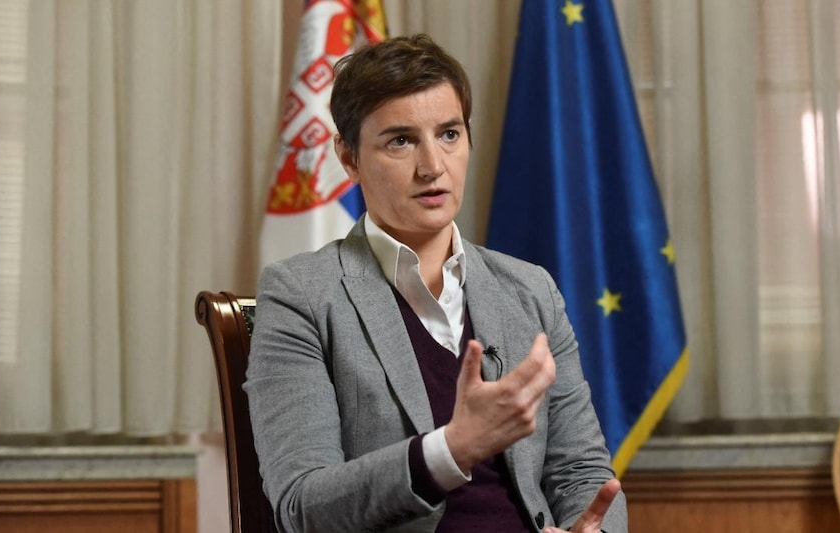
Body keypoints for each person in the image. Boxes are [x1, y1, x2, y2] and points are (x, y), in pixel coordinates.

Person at [245, 34, 627, 533]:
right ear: (349, 157)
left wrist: (589, 530)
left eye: (449, 134)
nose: (433, 167)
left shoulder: (530, 290)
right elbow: (303, 506)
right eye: (400, 141)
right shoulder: (301, 296)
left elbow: (581, 471)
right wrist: (451, 450)